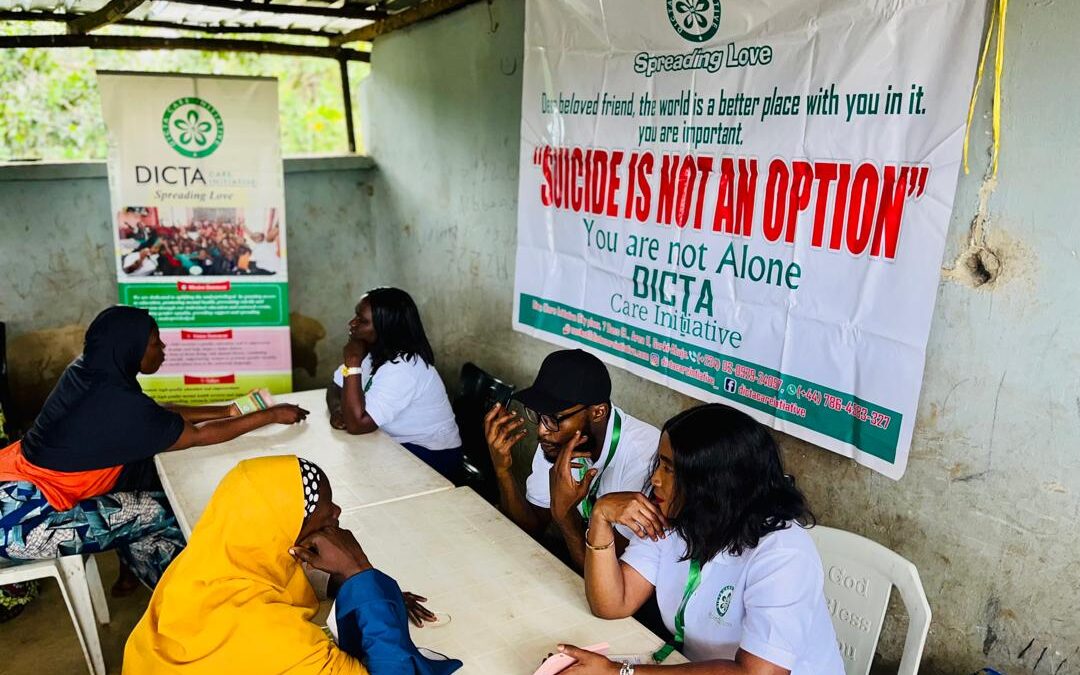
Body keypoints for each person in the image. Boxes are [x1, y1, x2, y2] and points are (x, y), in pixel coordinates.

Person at [0, 306, 309, 593]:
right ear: (131, 347)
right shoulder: (119, 403)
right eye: (155, 343)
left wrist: (228, 410)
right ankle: (191, 594)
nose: (163, 349)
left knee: (135, 480)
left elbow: (154, 413)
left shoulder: (89, 371)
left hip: (13, 484)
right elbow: (198, 436)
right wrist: (271, 415)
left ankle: (139, 572)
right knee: (171, 510)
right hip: (24, 521)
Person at [560, 404, 844, 674]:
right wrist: (600, 519)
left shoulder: (783, 554)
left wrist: (620, 672)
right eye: (659, 463)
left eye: (670, 469)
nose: (656, 479)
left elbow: (757, 674)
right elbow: (612, 604)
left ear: (713, 484)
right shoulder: (674, 515)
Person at [124, 455, 462, 675]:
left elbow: (283, 579)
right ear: (285, 529)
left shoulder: (203, 564)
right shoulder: (273, 636)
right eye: (325, 508)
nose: (336, 513)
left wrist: (362, 593)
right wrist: (359, 573)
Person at [483, 349, 659, 571]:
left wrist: (565, 515)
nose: (541, 431)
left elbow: (608, 575)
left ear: (598, 413)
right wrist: (502, 471)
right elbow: (530, 528)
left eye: (553, 418)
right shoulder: (557, 439)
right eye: (538, 416)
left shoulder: (644, 458)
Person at [326, 288, 462, 482]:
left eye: (362, 320)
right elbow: (334, 386)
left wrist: (353, 362)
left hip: (430, 458)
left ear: (385, 328)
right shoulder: (374, 351)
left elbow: (357, 425)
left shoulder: (405, 367)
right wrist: (339, 409)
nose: (351, 324)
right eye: (355, 316)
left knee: (354, 479)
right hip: (390, 442)